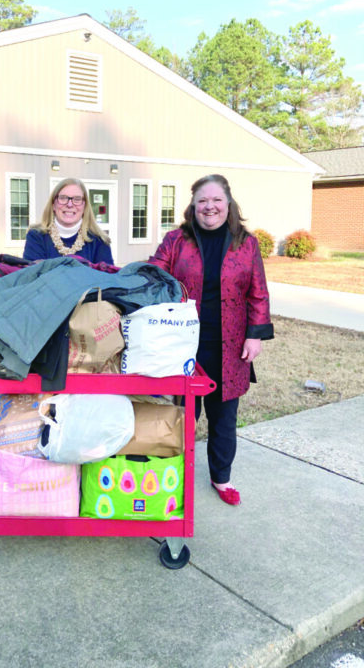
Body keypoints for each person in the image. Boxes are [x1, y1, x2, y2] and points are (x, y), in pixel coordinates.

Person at [148, 174, 273, 506]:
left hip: (229, 346)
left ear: (228, 203)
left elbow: (258, 294)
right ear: (193, 206)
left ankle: (222, 477)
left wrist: (255, 335)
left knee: (223, 416)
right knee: (181, 413)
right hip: (183, 343)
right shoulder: (176, 240)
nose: (210, 207)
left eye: (216, 200)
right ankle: (170, 471)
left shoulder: (246, 243)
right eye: (202, 200)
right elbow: (154, 273)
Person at [23, 178, 114, 264]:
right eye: (63, 198)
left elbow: (107, 279)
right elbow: (32, 275)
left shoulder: (99, 241)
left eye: (77, 199)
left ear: (84, 206)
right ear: (53, 204)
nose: (70, 204)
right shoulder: (36, 236)